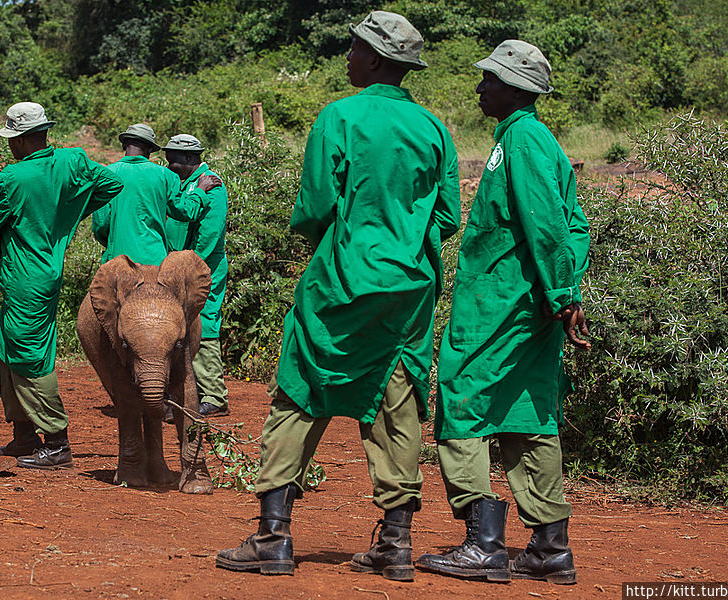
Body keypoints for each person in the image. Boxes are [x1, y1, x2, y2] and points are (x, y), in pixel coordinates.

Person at [216, 11, 460, 581]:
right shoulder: (434, 129)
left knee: (302, 389)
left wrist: (345, 240)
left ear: (375, 58)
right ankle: (395, 545)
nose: (346, 57)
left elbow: (316, 208)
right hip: (409, 286)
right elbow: (447, 214)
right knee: (397, 402)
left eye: (353, 48)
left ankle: (273, 536)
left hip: (341, 278)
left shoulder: (338, 117)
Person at [415, 40, 591, 585]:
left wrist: (562, 294)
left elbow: (549, 225)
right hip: (532, 303)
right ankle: (548, 547)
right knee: (527, 414)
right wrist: (562, 296)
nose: (480, 87)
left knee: (462, 399)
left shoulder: (524, 140)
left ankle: (482, 542)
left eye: (489, 78)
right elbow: (574, 226)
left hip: (506, 306)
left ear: (515, 88)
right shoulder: (524, 138)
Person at [0, 102, 124, 469]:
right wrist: (66, 214)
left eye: (13, 139)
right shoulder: (72, 162)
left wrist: (20, 237)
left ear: (24, 140)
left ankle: (57, 442)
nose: (10, 146)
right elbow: (111, 183)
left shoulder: (12, 179)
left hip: (26, 275)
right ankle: (24, 435)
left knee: (28, 353)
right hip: (43, 272)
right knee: (6, 343)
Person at [162, 134, 230, 417]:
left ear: (190, 159)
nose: (169, 166)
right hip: (179, 268)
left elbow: (210, 236)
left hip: (202, 269)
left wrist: (190, 266)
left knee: (207, 324)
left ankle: (215, 395)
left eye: (174, 162)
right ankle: (187, 390)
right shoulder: (181, 183)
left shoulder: (212, 186)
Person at [91, 124, 220, 267]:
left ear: (124, 145)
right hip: (154, 263)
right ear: (150, 149)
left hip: (118, 261)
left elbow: (100, 224)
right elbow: (186, 211)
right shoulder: (166, 176)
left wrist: (114, 241)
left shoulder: (107, 175)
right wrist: (200, 191)